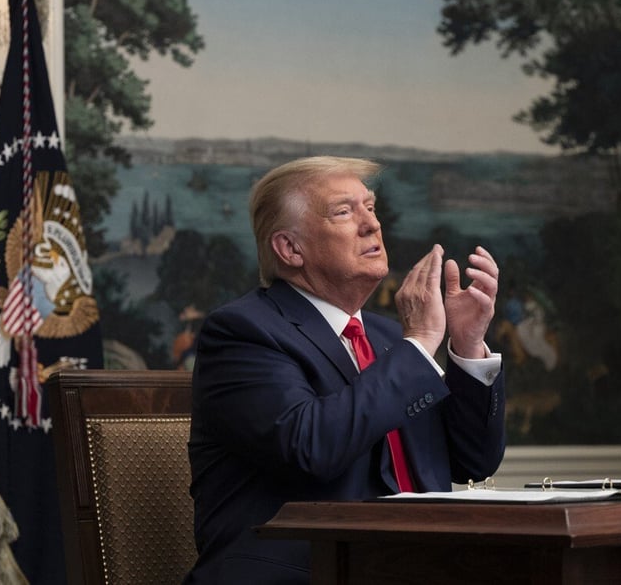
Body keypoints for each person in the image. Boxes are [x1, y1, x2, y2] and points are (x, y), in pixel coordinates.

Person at [184, 156, 506, 583]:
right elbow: (310, 447)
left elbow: (473, 460)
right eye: (343, 211)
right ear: (290, 249)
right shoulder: (242, 333)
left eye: (370, 207)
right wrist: (421, 344)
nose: (371, 224)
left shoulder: (391, 339)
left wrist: (465, 347)